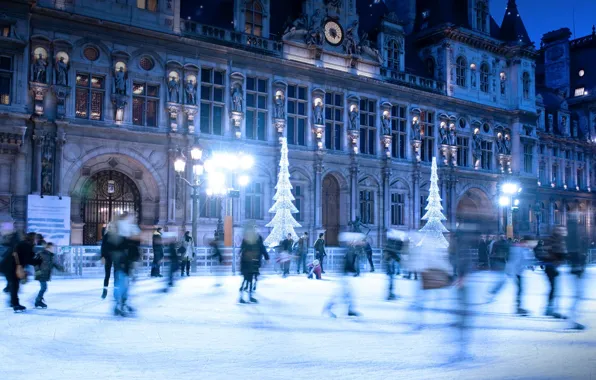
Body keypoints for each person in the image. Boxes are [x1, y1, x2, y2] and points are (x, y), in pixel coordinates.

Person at [323, 232, 362, 318]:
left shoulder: (350, 249)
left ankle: (349, 309)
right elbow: (347, 263)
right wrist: (353, 270)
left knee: (347, 293)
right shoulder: (349, 249)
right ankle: (329, 307)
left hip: (344, 274)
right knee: (342, 294)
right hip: (344, 275)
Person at [0, 232, 41, 312]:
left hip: (10, 266)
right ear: (32, 238)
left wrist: (37, 259)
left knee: (14, 284)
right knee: (15, 284)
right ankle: (15, 304)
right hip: (10, 267)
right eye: (36, 238)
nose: (37, 240)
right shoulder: (25, 245)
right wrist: (37, 261)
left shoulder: (27, 245)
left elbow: (31, 256)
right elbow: (27, 259)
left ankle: (11, 298)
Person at [540, 226, 567, 318]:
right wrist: (556, 260)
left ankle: (551, 308)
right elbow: (548, 252)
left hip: (553, 266)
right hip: (550, 266)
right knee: (553, 287)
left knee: (555, 288)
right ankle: (549, 309)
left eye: (562, 230)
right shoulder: (552, 239)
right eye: (559, 230)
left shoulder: (559, 239)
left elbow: (561, 252)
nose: (561, 232)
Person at [239, 223, 268, 304]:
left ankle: (248, 297)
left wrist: (266, 256)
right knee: (247, 279)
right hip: (248, 261)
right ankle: (244, 297)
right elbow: (243, 248)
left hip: (252, 261)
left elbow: (261, 248)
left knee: (249, 279)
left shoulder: (256, 238)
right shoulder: (249, 238)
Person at [566, 214, 586, 330]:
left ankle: (574, 320)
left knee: (577, 295)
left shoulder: (571, 236)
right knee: (577, 295)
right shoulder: (573, 237)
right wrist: (579, 266)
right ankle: (573, 321)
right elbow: (575, 254)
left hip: (576, 268)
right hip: (576, 269)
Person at [33, 242, 64, 309]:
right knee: (44, 288)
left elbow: (53, 264)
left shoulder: (51, 255)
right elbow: (35, 263)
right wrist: (37, 271)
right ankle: (38, 301)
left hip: (46, 274)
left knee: (44, 288)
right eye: (52, 248)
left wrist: (60, 268)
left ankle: (39, 300)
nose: (53, 249)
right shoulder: (41, 253)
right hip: (41, 273)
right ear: (48, 247)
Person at [384, 230, 405, 300]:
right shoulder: (391, 244)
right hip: (389, 263)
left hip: (389, 263)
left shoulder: (390, 242)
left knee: (391, 278)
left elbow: (393, 252)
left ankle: (390, 293)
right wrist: (399, 260)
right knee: (391, 279)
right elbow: (392, 253)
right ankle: (390, 295)